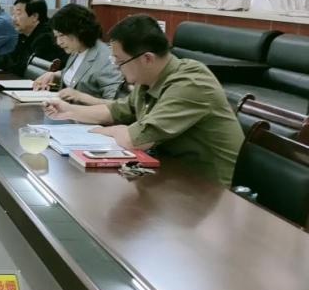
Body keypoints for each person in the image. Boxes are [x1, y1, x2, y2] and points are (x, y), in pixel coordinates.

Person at [43, 15, 245, 187]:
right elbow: (116, 110)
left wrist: (108, 131)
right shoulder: (148, 78)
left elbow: (135, 139)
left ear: (147, 58)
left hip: (208, 190)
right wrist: (69, 111)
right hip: (169, 176)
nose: (116, 68)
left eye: (120, 61)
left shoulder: (191, 82)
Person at [34, 3, 124, 103]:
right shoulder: (77, 49)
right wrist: (55, 75)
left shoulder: (106, 59)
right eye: (56, 36)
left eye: (62, 35)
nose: (59, 42)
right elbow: (76, 76)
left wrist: (80, 97)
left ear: (79, 31)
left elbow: (115, 105)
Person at [0, 0, 65, 75]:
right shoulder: (24, 34)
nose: (13, 18)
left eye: (18, 14)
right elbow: (14, 56)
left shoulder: (46, 37)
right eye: (13, 14)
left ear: (34, 16)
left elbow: (25, 66)